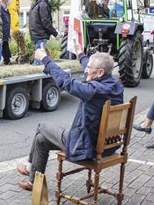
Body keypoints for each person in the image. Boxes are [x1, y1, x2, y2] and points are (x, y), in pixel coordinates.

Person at [17, 41, 124, 190]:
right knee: (41, 140)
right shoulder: (115, 85)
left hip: (87, 147)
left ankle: (29, 167)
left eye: (88, 68)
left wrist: (46, 59)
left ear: (99, 72)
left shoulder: (93, 90)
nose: (86, 71)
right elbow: (92, 66)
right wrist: (80, 54)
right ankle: (33, 181)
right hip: (108, 146)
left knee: (42, 126)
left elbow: (68, 83)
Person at [29, 0, 58, 65]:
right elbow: (46, 22)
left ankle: (36, 70)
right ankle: (36, 73)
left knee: (38, 53)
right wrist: (55, 33)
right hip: (40, 33)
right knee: (40, 56)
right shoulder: (43, 5)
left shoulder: (36, 3)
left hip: (36, 32)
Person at [0, 0, 12, 65]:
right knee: (3, 47)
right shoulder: (0, 9)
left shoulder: (6, 9)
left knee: (5, 46)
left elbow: (7, 23)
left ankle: (7, 60)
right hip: (2, 33)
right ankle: (6, 61)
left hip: (5, 33)